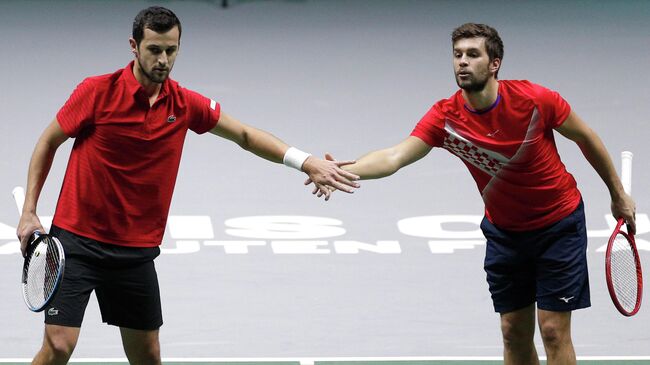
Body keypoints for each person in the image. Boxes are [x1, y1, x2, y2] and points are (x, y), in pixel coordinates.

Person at [16, 6, 359, 365]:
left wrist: (305, 161)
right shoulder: (97, 92)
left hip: (135, 251)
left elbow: (244, 134)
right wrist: (29, 212)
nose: (163, 60)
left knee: (148, 356)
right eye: (154, 50)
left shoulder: (184, 104)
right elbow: (48, 142)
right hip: (77, 242)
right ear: (134, 46)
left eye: (171, 50)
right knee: (58, 346)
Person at [310, 23, 636, 365]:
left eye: (472, 54)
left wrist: (617, 193)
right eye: (457, 55)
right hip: (505, 233)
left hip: (558, 225)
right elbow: (394, 156)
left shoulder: (534, 100)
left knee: (553, 330)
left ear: (494, 63)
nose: (462, 62)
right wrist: (343, 170)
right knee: (513, 331)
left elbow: (586, 137)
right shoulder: (445, 117)